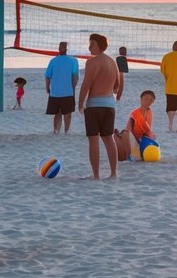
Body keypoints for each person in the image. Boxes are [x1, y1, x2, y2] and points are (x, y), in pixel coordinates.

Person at [77, 33, 123, 179]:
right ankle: (114, 173)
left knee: (93, 140)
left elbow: (86, 84)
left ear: (98, 45)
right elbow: (118, 85)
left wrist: (80, 103)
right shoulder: (112, 62)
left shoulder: (92, 63)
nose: (89, 47)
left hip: (94, 105)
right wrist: (111, 93)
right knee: (109, 139)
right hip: (110, 105)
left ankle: (96, 175)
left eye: (91, 44)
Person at [45, 41, 80, 135]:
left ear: (59, 48)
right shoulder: (73, 60)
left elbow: (47, 76)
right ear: (66, 49)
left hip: (57, 92)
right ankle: (64, 131)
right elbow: (75, 77)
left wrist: (47, 87)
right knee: (66, 114)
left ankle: (58, 131)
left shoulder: (54, 61)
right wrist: (72, 87)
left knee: (59, 113)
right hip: (65, 92)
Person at [114, 89, 157, 160]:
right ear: (140, 99)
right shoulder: (136, 113)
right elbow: (148, 130)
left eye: (151, 100)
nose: (148, 101)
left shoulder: (149, 113)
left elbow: (148, 131)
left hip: (140, 138)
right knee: (137, 158)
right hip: (130, 137)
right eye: (145, 99)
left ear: (153, 102)